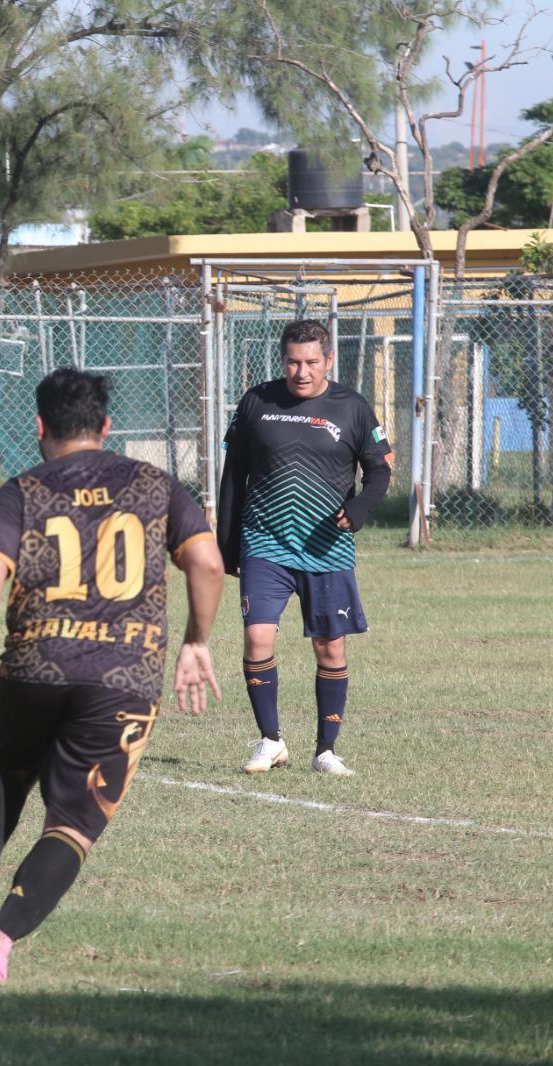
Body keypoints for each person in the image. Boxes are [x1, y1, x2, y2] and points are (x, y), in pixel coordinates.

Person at [0, 368, 225, 984]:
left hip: (34, 665)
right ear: (106, 427)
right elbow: (209, 563)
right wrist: (196, 640)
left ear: (39, 426)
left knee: (8, 771)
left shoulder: (21, 490)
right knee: (74, 825)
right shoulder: (157, 485)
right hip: (123, 678)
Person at [217, 318, 393, 777]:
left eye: (311, 362)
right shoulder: (257, 402)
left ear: (328, 360)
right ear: (283, 361)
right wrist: (227, 544)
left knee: (329, 648)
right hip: (265, 541)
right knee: (257, 637)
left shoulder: (352, 406)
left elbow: (380, 472)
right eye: (293, 362)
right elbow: (233, 475)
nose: (302, 371)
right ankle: (271, 741)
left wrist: (359, 510)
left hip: (326, 548)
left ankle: (326, 750)